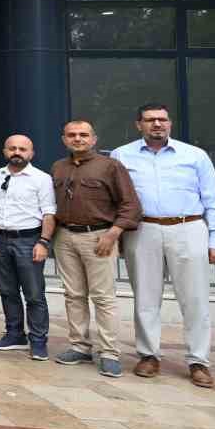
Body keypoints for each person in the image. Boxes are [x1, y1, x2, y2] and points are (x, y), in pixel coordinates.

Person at [112, 104, 215, 388]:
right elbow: (115, 199)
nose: (157, 124)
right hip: (143, 229)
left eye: (162, 119)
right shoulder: (121, 155)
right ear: (138, 124)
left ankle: (199, 361)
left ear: (170, 123)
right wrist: (117, 235)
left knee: (195, 298)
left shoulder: (194, 155)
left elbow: (213, 198)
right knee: (145, 297)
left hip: (188, 227)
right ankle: (148, 355)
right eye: (150, 120)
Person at [51, 120, 141, 378]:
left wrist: (113, 233)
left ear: (93, 139)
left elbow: (130, 205)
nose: (77, 139)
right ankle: (79, 346)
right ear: (64, 139)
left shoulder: (110, 166)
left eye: (83, 135)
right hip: (65, 236)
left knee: (103, 297)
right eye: (72, 135)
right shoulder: (58, 167)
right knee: (73, 295)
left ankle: (109, 352)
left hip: (99, 237)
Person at [0, 134, 56, 360]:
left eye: (22, 149)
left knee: (34, 294)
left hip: (29, 240)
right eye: (12, 148)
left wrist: (43, 242)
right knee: (7, 291)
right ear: (5, 151)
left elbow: (49, 213)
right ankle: (14, 334)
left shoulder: (41, 178)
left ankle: (38, 341)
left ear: (31, 153)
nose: (17, 152)